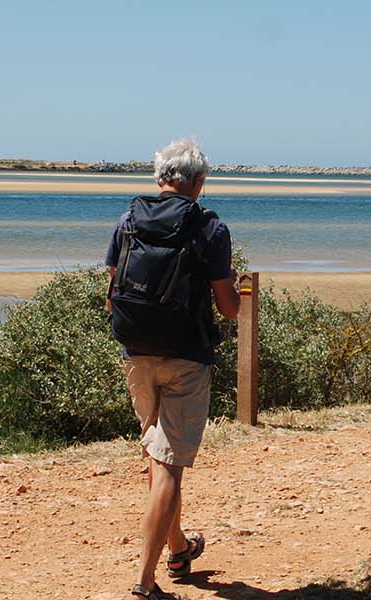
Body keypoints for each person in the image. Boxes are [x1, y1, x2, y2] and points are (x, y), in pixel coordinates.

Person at [107, 139, 240, 600]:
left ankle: (179, 547)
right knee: (168, 465)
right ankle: (146, 581)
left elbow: (112, 293)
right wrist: (232, 287)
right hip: (186, 359)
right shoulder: (209, 227)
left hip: (135, 352)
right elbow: (227, 310)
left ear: (158, 176)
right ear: (199, 182)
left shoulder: (128, 221)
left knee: (158, 455)